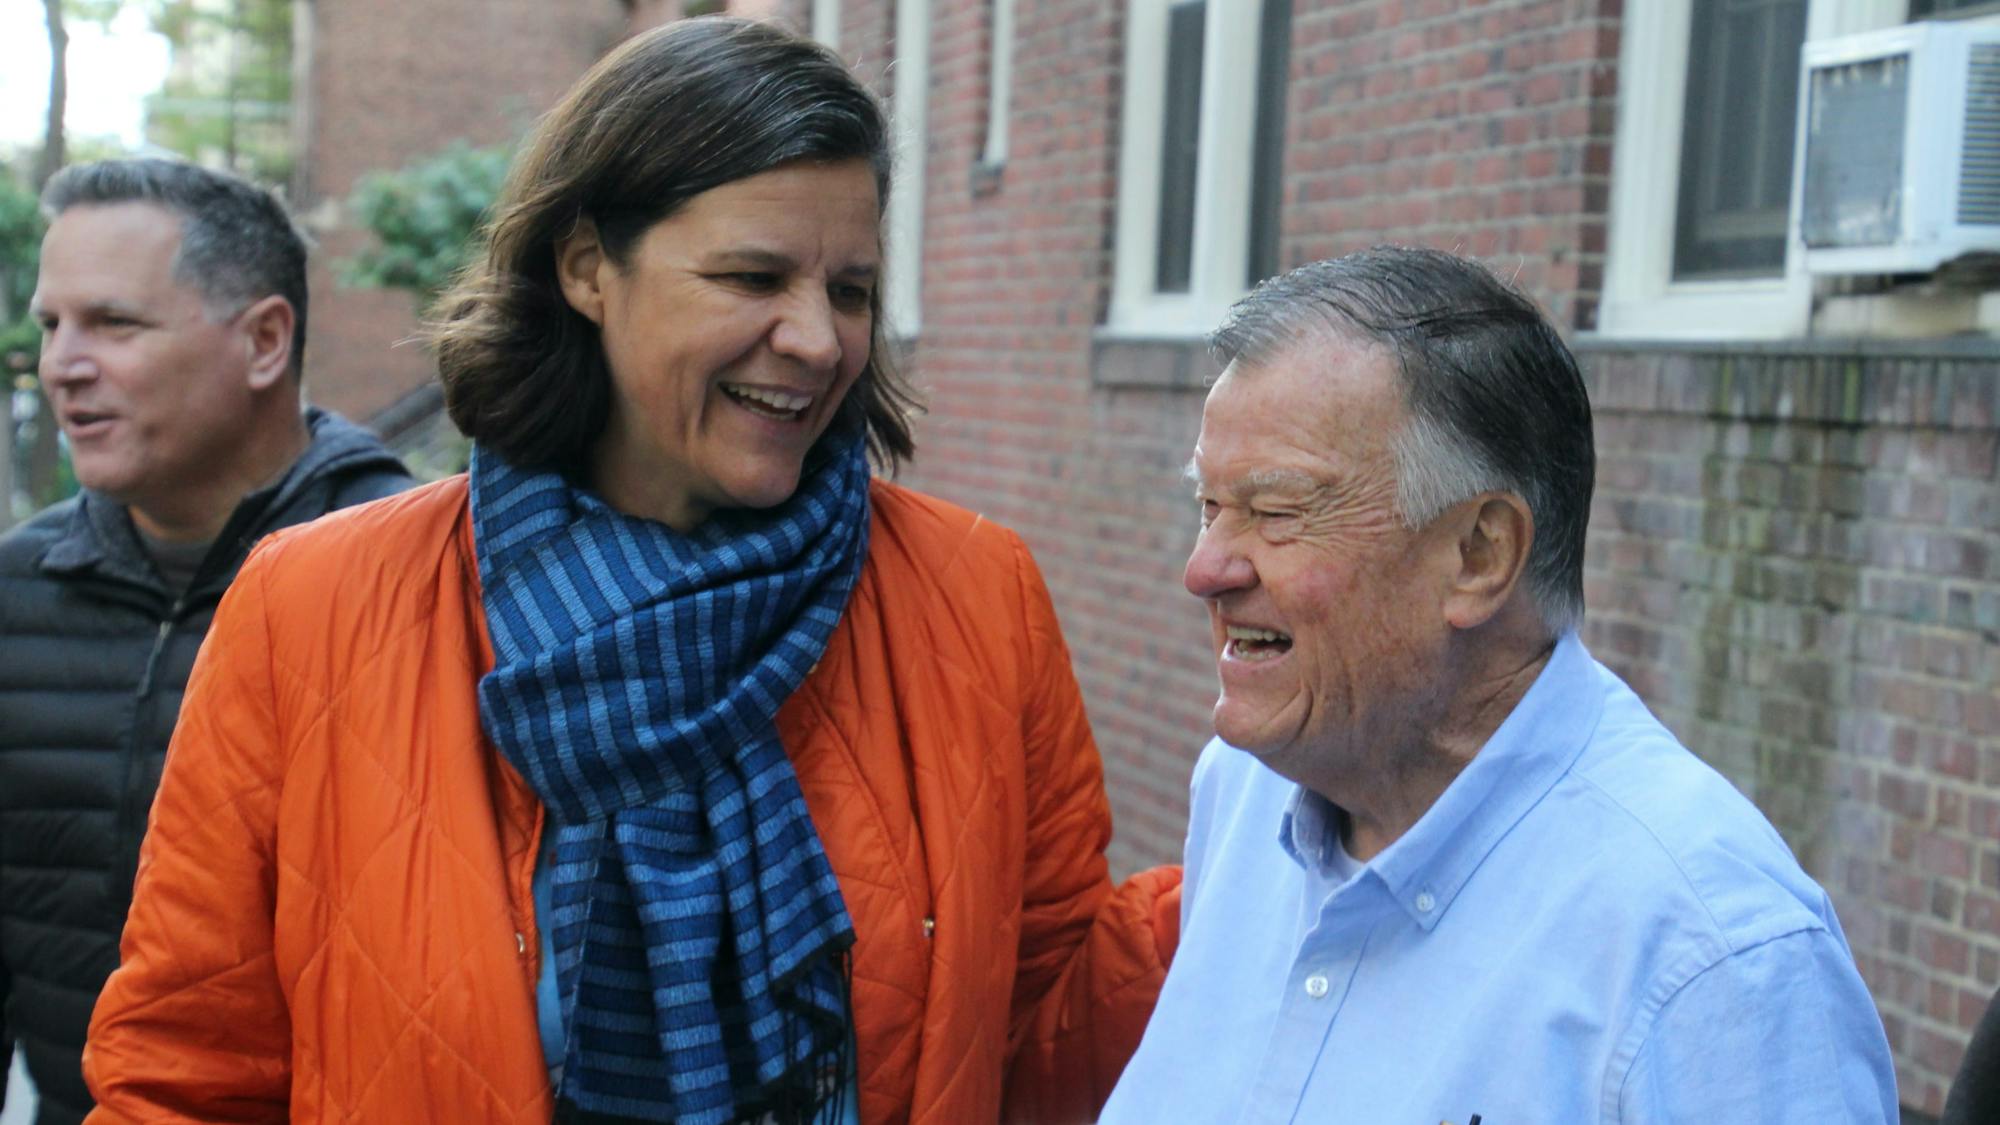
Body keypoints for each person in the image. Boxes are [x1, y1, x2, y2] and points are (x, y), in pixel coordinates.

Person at [83, 18, 1178, 1125]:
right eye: (752, 276)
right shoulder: (310, 609)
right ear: (585, 268)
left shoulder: (971, 597)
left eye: (849, 291)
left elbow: (1044, 1034)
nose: (815, 339)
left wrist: (1303, 823)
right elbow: (185, 1072)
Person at [1098, 247, 1898, 1123]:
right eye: (1209, 506)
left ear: (1479, 555)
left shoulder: (1712, 956)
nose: (1204, 568)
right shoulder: (1246, 791)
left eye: (1278, 511)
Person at [0, 158, 412, 1125]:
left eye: (114, 323)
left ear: (266, 339)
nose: (62, 362)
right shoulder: (14, 592)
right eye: (51, 324)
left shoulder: (418, 587)